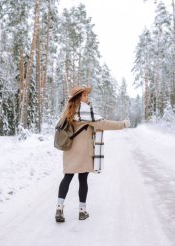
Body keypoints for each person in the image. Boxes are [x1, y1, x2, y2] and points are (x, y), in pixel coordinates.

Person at [55, 86, 130, 222]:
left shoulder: (68, 112)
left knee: (67, 178)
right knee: (83, 180)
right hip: (83, 151)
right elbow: (104, 124)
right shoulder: (85, 112)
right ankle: (82, 211)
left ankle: (59, 209)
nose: (87, 97)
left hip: (69, 151)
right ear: (78, 98)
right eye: (84, 95)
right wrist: (123, 124)